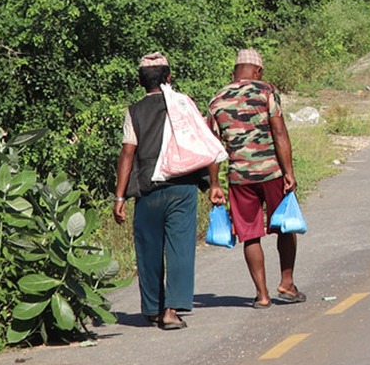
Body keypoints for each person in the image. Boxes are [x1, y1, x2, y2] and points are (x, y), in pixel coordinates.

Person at [113, 52, 207, 330]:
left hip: (148, 190)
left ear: (140, 81)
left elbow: (127, 153)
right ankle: (170, 310)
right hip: (182, 187)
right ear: (169, 78)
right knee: (180, 248)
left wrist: (119, 196)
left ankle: (153, 308)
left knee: (148, 248)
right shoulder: (183, 104)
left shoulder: (134, 111)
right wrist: (213, 184)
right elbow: (205, 142)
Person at [207, 48, 302, 308]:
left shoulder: (217, 100)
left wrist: (215, 184)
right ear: (258, 71)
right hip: (271, 172)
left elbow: (213, 149)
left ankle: (262, 295)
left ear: (235, 72)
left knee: (250, 235)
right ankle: (287, 282)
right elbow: (280, 133)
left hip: (239, 178)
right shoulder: (266, 92)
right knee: (285, 225)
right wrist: (289, 172)